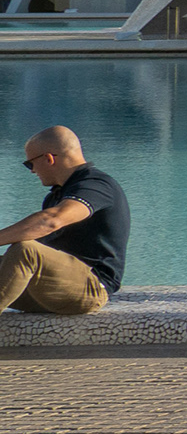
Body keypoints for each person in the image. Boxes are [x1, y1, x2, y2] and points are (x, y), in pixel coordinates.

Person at [3, 129, 128, 315]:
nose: (33, 171)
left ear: (48, 159)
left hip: (90, 288)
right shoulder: (57, 195)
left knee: (25, 251)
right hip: (52, 289)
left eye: (30, 164)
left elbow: (51, 220)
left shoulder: (97, 185)